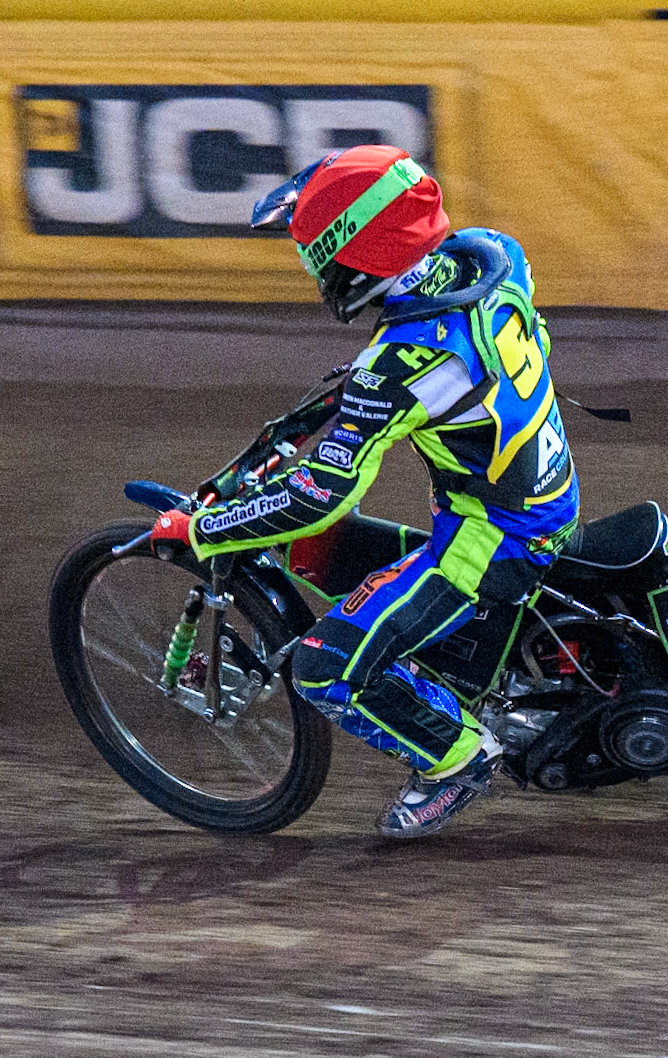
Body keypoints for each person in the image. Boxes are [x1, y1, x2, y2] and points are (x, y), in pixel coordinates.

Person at [150, 144, 578, 838]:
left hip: (493, 537)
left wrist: (201, 530)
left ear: (356, 252)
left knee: (323, 670)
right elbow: (440, 352)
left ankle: (458, 760)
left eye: (315, 253)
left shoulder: (400, 364)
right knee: (322, 555)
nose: (313, 269)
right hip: (537, 484)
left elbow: (319, 495)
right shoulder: (490, 257)